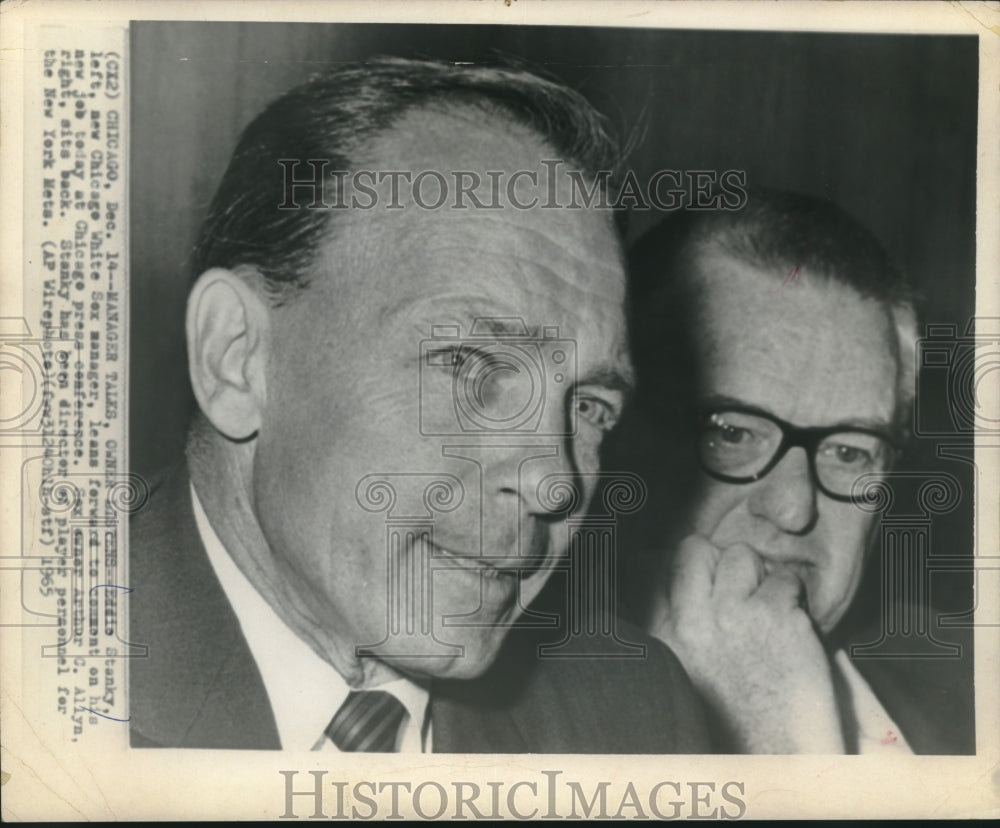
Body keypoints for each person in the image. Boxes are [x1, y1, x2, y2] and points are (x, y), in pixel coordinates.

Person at [128, 57, 708, 753]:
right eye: (470, 366)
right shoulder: (42, 675)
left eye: (588, 407)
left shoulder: (634, 718)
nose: (554, 481)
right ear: (236, 357)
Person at [626, 190, 975, 755]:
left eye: (849, 451)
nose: (794, 508)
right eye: (733, 433)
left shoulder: (975, 683)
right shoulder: (504, 725)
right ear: (622, 435)